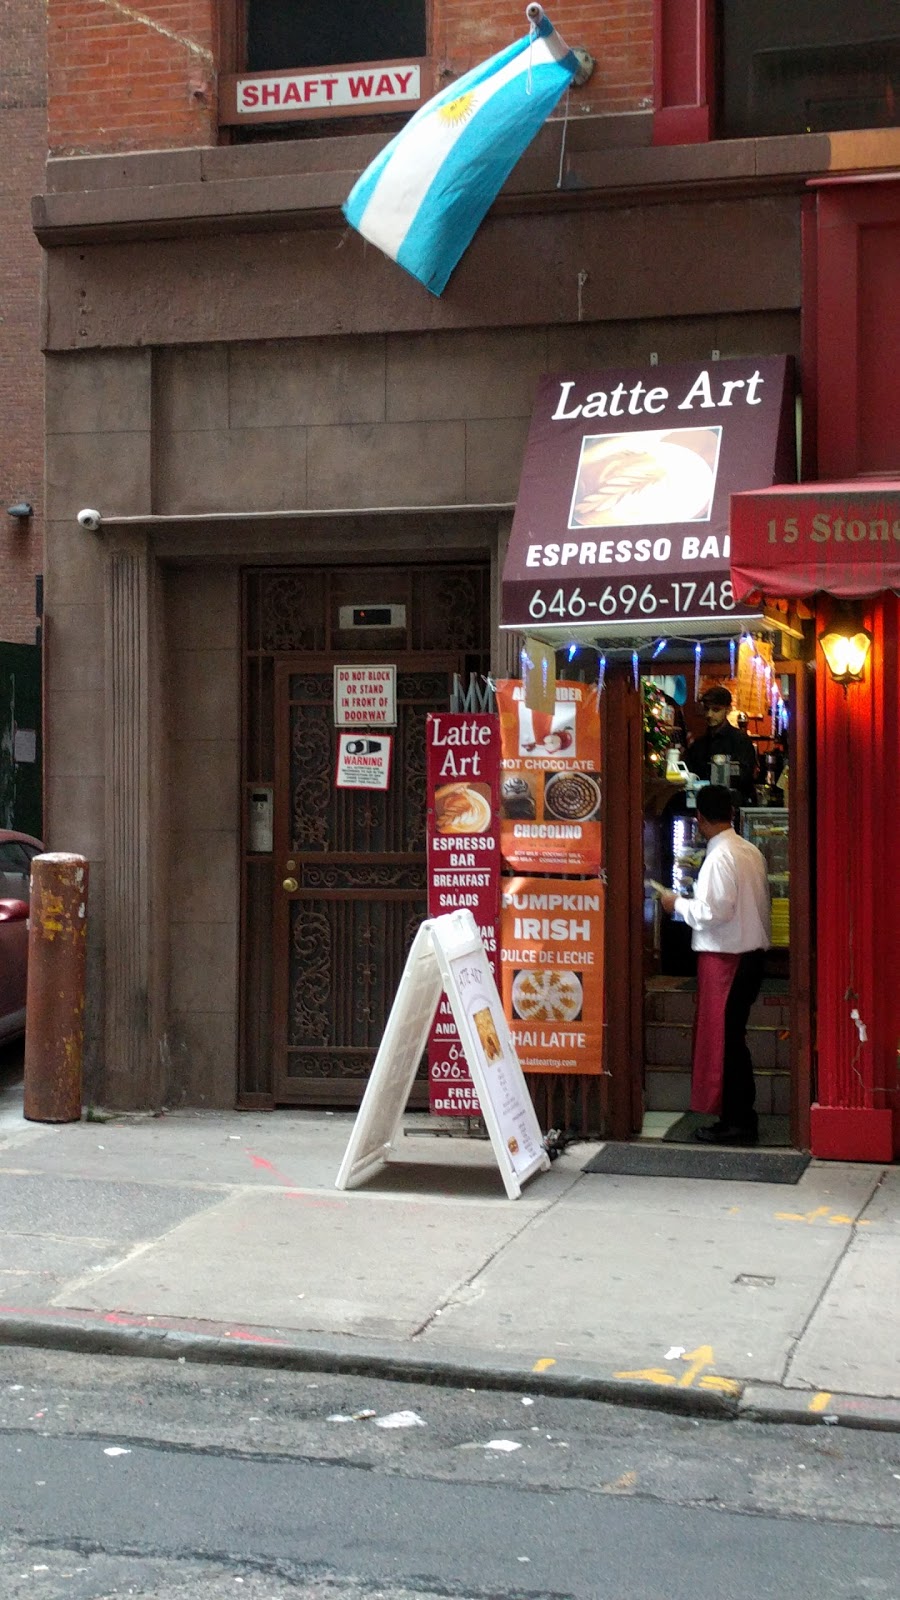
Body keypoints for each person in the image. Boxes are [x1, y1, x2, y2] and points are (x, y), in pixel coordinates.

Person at [659, 784, 770, 1145]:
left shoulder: (721, 857)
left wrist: (677, 904)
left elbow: (712, 911)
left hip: (727, 959)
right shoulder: (749, 850)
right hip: (748, 956)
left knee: (726, 1043)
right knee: (732, 1040)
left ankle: (737, 1121)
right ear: (733, 813)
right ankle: (737, 1116)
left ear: (700, 819)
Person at [684, 684, 757, 803]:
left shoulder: (740, 740)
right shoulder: (699, 744)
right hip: (704, 805)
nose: (709, 715)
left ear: (728, 710)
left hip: (732, 805)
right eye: (707, 709)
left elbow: (745, 777)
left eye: (716, 709)